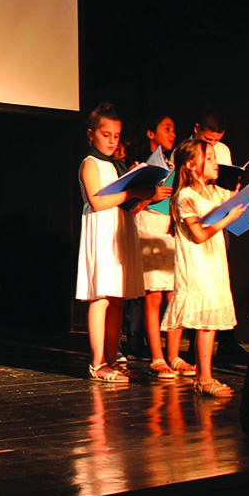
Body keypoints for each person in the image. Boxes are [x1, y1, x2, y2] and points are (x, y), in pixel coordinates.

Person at [164, 138, 244, 398]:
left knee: (210, 323)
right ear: (191, 164)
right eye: (208, 158)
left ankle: (204, 376)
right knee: (205, 323)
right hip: (197, 266)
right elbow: (198, 234)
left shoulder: (213, 192)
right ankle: (204, 378)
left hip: (213, 264)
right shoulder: (185, 196)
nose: (215, 163)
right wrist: (227, 219)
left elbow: (237, 202)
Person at [75, 104, 149, 384]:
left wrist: (144, 197)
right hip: (102, 230)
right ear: (91, 134)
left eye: (116, 136)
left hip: (119, 229)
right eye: (105, 135)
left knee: (117, 298)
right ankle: (98, 362)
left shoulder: (116, 166)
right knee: (102, 296)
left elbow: (126, 207)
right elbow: (97, 201)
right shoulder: (90, 163)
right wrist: (132, 191)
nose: (111, 141)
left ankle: (111, 358)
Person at [135, 113, 190, 380]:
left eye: (174, 129)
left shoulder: (173, 164)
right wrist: (150, 196)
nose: (172, 134)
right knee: (154, 294)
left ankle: (174, 355)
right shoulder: (141, 166)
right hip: (149, 224)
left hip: (171, 226)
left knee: (174, 294)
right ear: (151, 133)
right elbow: (132, 205)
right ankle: (157, 356)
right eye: (167, 129)